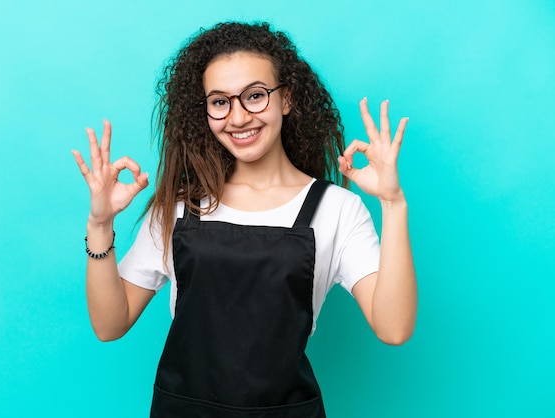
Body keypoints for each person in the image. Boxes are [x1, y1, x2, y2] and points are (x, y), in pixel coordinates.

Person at [72, 21, 417, 418]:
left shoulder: (336, 209)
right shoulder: (181, 206)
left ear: (286, 99)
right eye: (220, 102)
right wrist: (99, 225)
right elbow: (109, 325)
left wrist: (393, 204)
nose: (237, 118)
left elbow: (394, 328)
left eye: (255, 96)